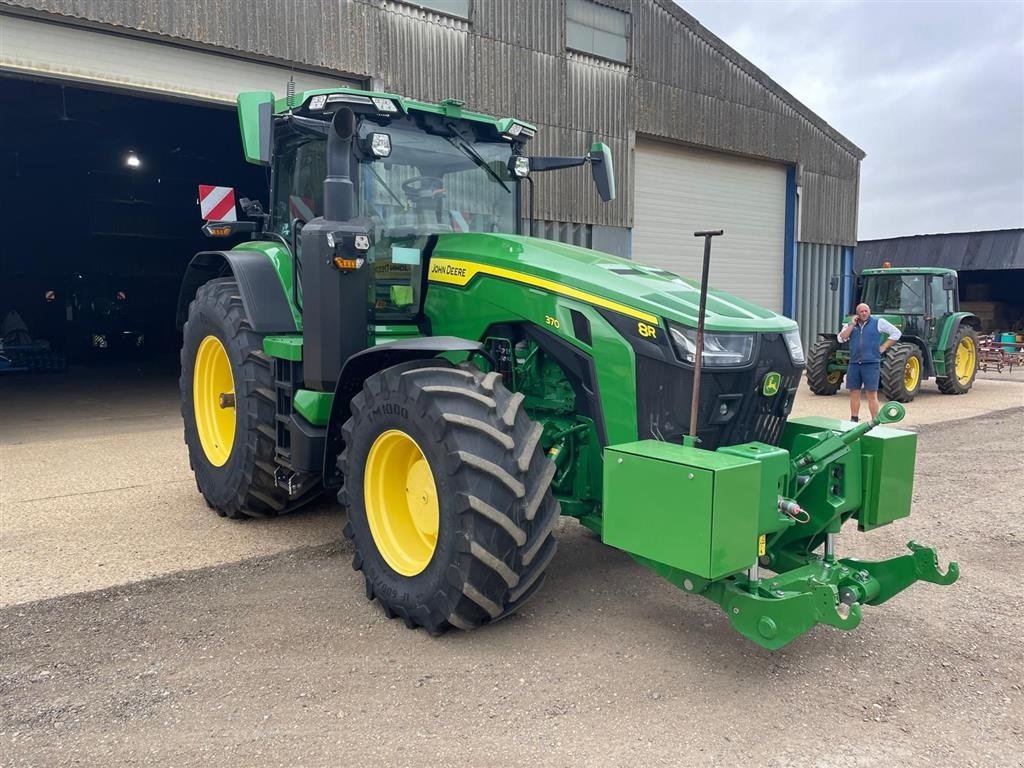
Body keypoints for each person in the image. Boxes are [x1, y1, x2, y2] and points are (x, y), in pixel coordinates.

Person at [837, 303, 902, 421]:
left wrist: (884, 347)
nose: (864, 313)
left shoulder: (879, 322)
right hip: (854, 363)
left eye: (866, 311)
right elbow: (841, 338)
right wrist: (852, 325)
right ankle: (854, 419)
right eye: (861, 311)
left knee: (871, 393)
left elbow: (896, 333)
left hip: (871, 363)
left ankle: (875, 421)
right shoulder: (851, 325)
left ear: (869, 311)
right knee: (854, 392)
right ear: (857, 314)